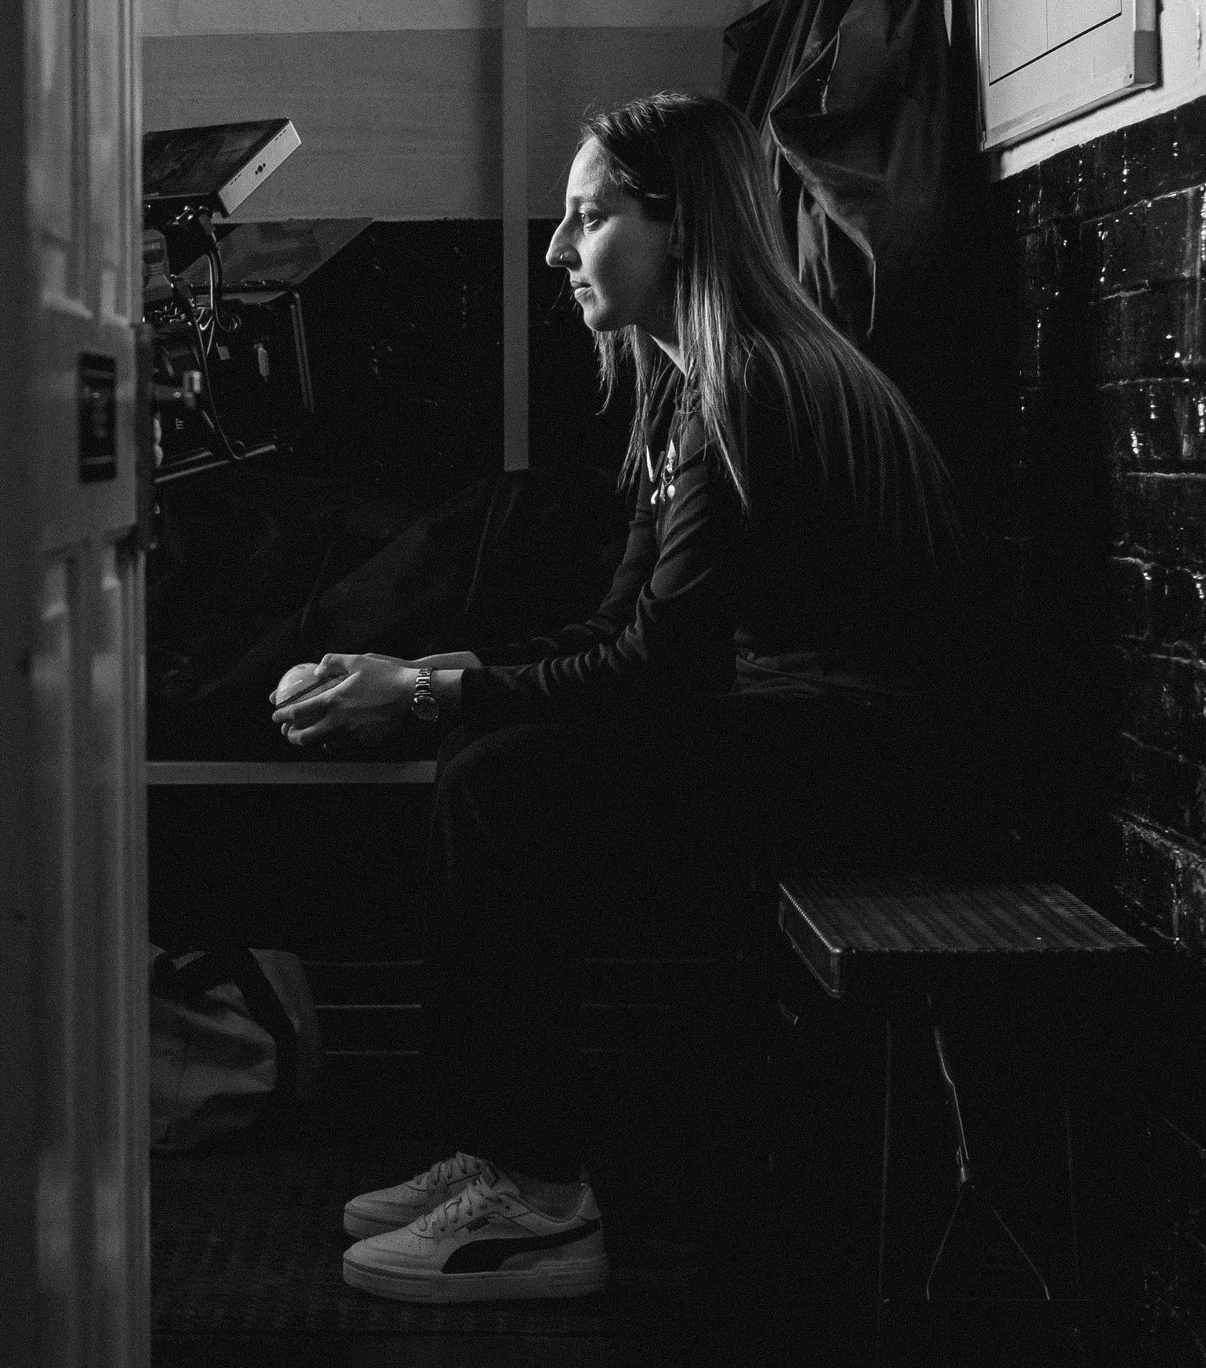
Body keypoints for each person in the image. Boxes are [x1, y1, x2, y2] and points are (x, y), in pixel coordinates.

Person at [269, 91, 957, 1305]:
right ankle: (502, 1150)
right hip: (799, 731)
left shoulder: (751, 384)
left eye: (587, 218)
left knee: (503, 786)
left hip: (864, 764)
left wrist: (431, 691)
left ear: (679, 225)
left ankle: (538, 1203)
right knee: (492, 756)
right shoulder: (693, 387)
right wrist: (421, 676)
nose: (554, 247)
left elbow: (659, 668)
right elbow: (621, 630)